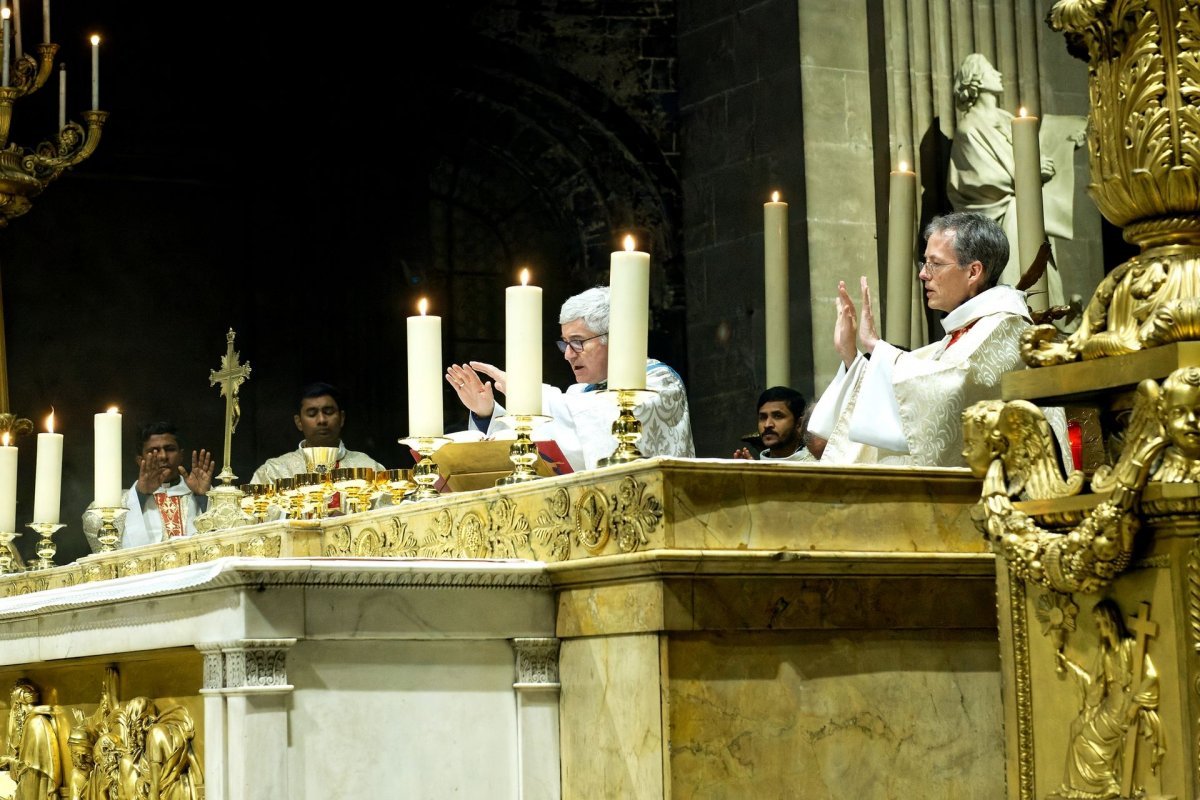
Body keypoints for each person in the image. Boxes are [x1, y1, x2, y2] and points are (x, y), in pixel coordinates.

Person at [808, 211, 1069, 467]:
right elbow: (917, 376)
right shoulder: (969, 328)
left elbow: (955, 383)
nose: (923, 273)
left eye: (935, 263)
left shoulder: (1006, 325)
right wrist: (850, 354)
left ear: (973, 272)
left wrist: (875, 346)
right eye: (925, 263)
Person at [446, 286, 695, 472]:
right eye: (565, 343)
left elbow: (605, 421)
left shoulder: (659, 382)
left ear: (614, 337)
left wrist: (526, 391)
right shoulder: (579, 395)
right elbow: (540, 441)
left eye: (577, 342)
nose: (567, 354)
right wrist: (486, 412)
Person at [947, 53, 1083, 307]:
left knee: (1043, 276)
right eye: (990, 70)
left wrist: (1062, 143)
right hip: (1004, 222)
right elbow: (980, 179)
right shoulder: (970, 128)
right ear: (974, 79)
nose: (999, 74)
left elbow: (1031, 157)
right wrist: (1029, 170)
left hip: (1025, 214)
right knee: (1022, 277)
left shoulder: (1005, 119)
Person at [1055, 599, 1161, 797]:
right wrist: (1068, 664)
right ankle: (1078, 789)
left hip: (1122, 708)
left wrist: (1135, 705)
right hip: (1108, 706)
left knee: (1082, 740)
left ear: (1109, 621)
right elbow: (1094, 686)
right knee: (1075, 727)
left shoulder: (1130, 646)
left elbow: (1151, 676)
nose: (1097, 627)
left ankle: (1108, 784)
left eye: (1099, 623)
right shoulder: (1106, 653)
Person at [251, 382, 384, 484]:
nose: (321, 420)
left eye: (328, 412)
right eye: (312, 414)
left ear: (342, 418)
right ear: (299, 422)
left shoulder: (368, 468)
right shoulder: (274, 472)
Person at [122, 422, 213, 548]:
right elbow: (96, 524)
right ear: (140, 460)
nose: (163, 456)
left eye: (170, 449)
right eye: (153, 451)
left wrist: (204, 497)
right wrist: (140, 495)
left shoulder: (204, 493)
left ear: (181, 455)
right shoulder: (124, 501)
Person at [732, 386, 813, 461]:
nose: (767, 425)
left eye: (778, 416)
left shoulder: (817, 464)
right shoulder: (755, 466)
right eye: (763, 417)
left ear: (799, 424)